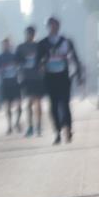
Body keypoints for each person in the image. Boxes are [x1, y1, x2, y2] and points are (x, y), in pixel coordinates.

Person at [36, 16, 84, 145]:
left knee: (65, 104)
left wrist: (79, 76)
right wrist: (42, 62)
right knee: (53, 106)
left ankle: (68, 129)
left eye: (55, 25)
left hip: (64, 76)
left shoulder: (66, 42)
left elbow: (75, 58)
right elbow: (37, 63)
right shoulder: (42, 44)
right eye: (50, 25)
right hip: (50, 78)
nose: (53, 28)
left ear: (58, 26)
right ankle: (57, 132)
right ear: (48, 27)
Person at [15, 26, 44, 137]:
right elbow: (16, 60)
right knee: (30, 102)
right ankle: (31, 126)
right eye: (28, 33)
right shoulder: (21, 47)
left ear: (34, 34)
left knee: (38, 102)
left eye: (32, 33)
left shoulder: (38, 46)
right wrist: (23, 62)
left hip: (38, 77)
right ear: (25, 34)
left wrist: (41, 64)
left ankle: (39, 126)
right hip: (27, 77)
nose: (30, 35)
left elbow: (44, 58)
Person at [0, 37, 22, 134]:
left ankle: (17, 122)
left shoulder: (15, 55)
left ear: (10, 45)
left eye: (7, 44)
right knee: (7, 105)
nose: (6, 46)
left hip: (15, 82)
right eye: (4, 44)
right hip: (5, 83)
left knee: (19, 105)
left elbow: (21, 65)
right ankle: (9, 125)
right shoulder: (0, 58)